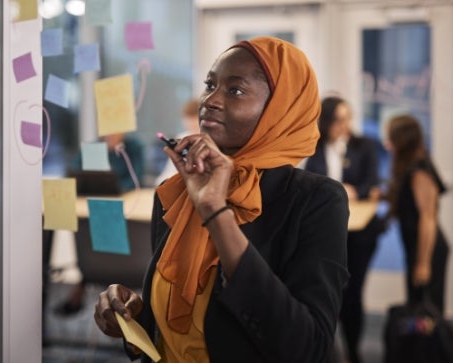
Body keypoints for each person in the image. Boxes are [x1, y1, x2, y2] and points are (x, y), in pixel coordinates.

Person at [94, 36, 349, 362]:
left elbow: (305, 347)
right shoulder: (178, 193)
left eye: (235, 90)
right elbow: (182, 326)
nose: (210, 100)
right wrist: (134, 316)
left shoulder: (315, 201)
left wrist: (215, 210)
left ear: (280, 109)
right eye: (209, 85)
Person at [305, 96, 382, 363]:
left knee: (353, 294)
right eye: (339, 119)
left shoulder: (364, 146)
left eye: (348, 118)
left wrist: (354, 190)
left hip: (360, 231)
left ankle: (355, 353)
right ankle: (329, 353)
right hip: (327, 230)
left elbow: (372, 184)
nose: (345, 124)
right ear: (325, 121)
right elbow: (309, 185)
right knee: (326, 292)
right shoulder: (313, 148)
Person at [54, 132, 145, 316]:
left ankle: (88, 283)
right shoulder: (94, 149)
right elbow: (75, 176)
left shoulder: (132, 148)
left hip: (124, 212)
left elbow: (135, 180)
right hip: (95, 209)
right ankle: (93, 276)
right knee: (90, 234)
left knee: (104, 233)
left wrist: (116, 189)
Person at [384, 114, 449, 313]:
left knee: (428, 311)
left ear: (403, 140)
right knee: (417, 306)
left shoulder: (420, 170)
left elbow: (427, 219)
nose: (387, 143)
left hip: (427, 250)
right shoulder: (409, 163)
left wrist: (423, 263)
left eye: (391, 138)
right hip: (415, 245)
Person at [154, 98, 200, 186]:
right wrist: (161, 183)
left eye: (193, 118)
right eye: (187, 118)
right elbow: (170, 170)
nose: (190, 123)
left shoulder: (212, 140)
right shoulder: (180, 138)